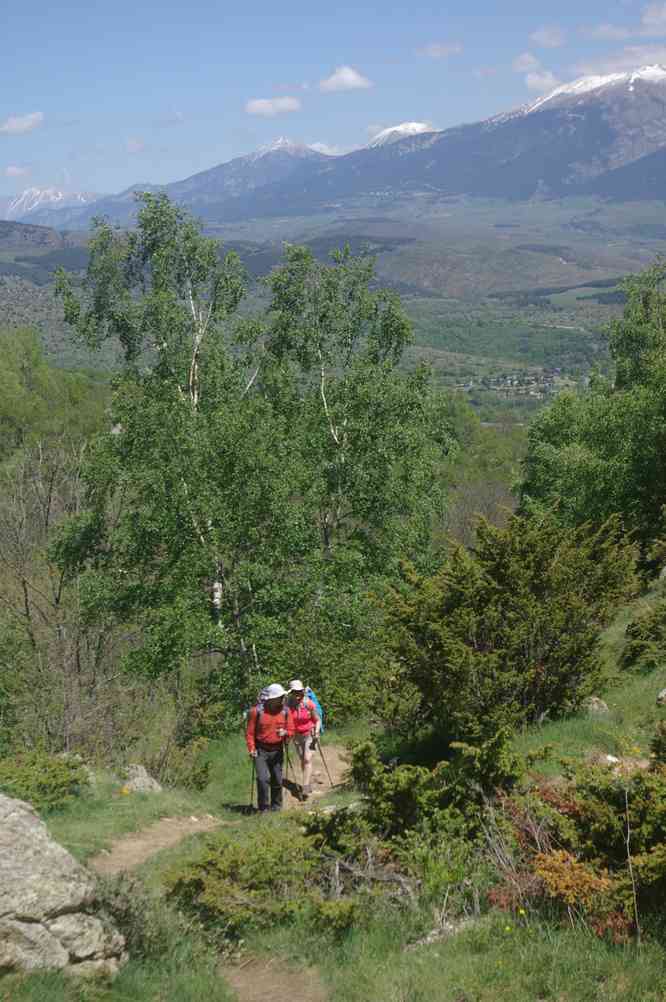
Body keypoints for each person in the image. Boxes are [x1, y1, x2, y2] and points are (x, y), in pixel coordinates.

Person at [245, 683, 293, 812]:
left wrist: (286, 733)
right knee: (262, 779)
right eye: (281, 696)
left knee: (277, 779)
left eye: (283, 696)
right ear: (272, 698)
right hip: (260, 750)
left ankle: (276, 807)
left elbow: (291, 729)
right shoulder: (256, 711)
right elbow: (249, 733)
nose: (283, 698)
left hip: (277, 750)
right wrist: (251, 748)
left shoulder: (286, 711)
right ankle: (263, 808)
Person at [285, 679, 321, 800]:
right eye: (295, 692)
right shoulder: (288, 706)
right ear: (291, 693)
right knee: (303, 760)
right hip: (296, 736)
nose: (298, 695)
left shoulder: (308, 703)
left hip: (310, 734)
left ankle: (305, 787)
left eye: (300, 692)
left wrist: (316, 732)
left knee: (306, 759)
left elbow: (317, 720)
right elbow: (286, 722)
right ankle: (308, 781)